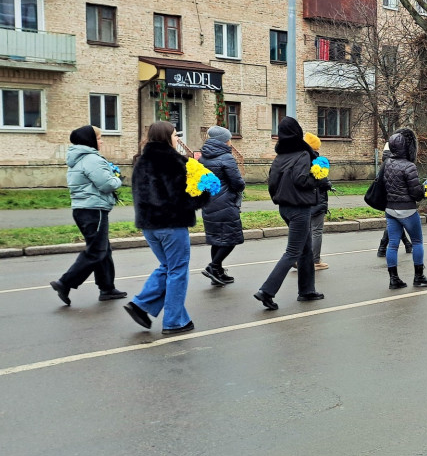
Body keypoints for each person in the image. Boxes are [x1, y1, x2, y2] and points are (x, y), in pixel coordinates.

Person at [124, 121, 207, 335]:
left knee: (167, 266)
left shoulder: (141, 161)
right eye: (175, 135)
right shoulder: (175, 161)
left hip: (149, 225)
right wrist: (204, 192)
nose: (178, 138)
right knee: (177, 271)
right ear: (166, 137)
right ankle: (173, 321)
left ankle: (141, 305)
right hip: (171, 224)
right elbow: (183, 198)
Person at [254, 116, 330, 310]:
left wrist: (279, 197)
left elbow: (272, 183)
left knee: (305, 249)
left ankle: (307, 291)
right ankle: (266, 291)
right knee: (293, 251)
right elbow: (301, 180)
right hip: (299, 208)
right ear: (298, 133)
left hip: (285, 208)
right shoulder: (302, 154)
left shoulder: (280, 156)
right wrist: (319, 180)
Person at [50, 125, 125, 305]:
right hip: (93, 209)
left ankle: (107, 288)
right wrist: (118, 179)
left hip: (83, 209)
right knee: (97, 251)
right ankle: (65, 283)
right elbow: (106, 184)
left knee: (103, 249)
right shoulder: (91, 159)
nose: (101, 142)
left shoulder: (78, 158)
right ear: (89, 140)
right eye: (99, 138)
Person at [382, 128, 427, 289]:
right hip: (407, 210)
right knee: (417, 242)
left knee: (392, 245)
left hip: (390, 209)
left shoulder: (387, 163)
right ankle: (419, 277)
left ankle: (394, 279)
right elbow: (416, 193)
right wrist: (425, 189)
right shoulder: (409, 166)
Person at [199, 125, 246, 285]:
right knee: (231, 238)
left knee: (217, 240)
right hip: (225, 204)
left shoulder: (203, 157)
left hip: (208, 203)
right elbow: (238, 183)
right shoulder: (226, 157)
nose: (230, 142)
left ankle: (217, 273)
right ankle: (213, 267)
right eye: (229, 139)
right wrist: (241, 186)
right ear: (224, 140)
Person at [377, 142, 412, 258]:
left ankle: (407, 244)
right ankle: (382, 247)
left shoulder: (386, 162)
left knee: (396, 220)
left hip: (387, 195)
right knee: (395, 220)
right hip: (394, 197)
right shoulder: (395, 162)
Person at [303, 132, 331, 271]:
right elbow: (323, 181)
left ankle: (300, 258)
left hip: (303, 201)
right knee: (317, 231)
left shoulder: (299, 159)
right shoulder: (317, 161)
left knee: (305, 231)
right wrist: (329, 185)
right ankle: (315, 260)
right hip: (317, 200)